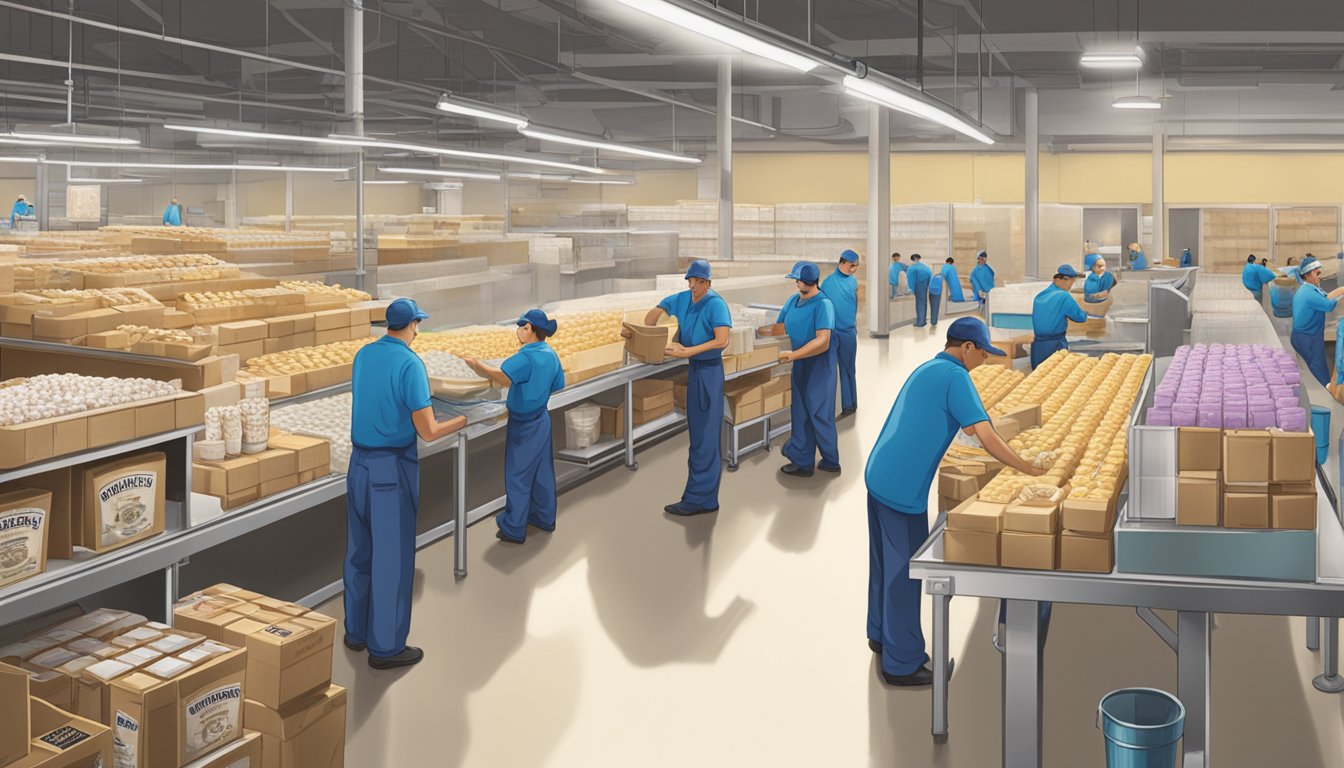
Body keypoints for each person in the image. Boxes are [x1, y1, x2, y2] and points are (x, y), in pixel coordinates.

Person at [865, 317, 1044, 686]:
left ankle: (880, 635)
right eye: (982, 354)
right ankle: (902, 663)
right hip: (902, 488)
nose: (984, 361)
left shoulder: (929, 368)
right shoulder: (957, 377)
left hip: (880, 473)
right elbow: (985, 435)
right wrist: (1027, 468)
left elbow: (964, 427)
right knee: (905, 574)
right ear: (966, 348)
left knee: (883, 564)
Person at [346, 298, 466, 670]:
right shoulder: (411, 364)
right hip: (389, 470)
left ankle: (357, 632)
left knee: (359, 550)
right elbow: (428, 431)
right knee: (392, 559)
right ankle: (385, 647)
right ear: (414, 325)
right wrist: (463, 420)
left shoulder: (364, 355)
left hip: (358, 464)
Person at [466, 310, 566, 542]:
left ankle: (514, 527)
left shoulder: (526, 356)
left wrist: (476, 365)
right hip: (542, 419)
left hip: (524, 424)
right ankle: (544, 518)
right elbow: (558, 384)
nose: (518, 331)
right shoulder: (551, 354)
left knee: (518, 475)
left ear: (530, 329)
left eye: (522, 326)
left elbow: (502, 377)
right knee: (542, 472)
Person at [643, 259, 731, 516]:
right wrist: (651, 333)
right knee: (697, 437)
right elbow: (654, 315)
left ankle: (701, 499)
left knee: (706, 437)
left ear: (708, 283)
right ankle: (699, 495)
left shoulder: (716, 305)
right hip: (694, 371)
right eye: (691, 281)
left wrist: (687, 351)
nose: (694, 286)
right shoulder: (682, 299)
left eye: (699, 282)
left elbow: (722, 340)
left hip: (710, 373)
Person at [763, 261, 839, 477]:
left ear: (808, 281)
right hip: (800, 364)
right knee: (801, 412)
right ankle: (803, 461)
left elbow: (823, 341)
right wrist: (758, 332)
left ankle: (831, 460)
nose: (796, 283)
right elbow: (780, 326)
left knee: (819, 412)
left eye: (798, 279)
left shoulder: (823, 304)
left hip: (820, 365)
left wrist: (793, 354)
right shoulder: (793, 300)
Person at [1290, 257, 1344, 386]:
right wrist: (1341, 294)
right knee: (1317, 364)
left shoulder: (1311, 288)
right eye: (1317, 273)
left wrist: (1342, 290)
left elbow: (1326, 296)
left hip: (1307, 334)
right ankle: (1328, 389)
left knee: (1316, 364)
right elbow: (1328, 305)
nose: (1320, 276)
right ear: (1307, 275)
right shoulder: (1308, 293)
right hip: (1308, 337)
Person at [821, 250, 860, 417]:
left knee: (849, 369)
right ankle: (830, 407)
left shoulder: (853, 282)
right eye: (852, 266)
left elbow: (856, 304)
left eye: (856, 266)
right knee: (829, 371)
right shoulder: (828, 283)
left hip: (848, 332)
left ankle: (850, 404)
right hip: (832, 332)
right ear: (843, 262)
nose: (854, 269)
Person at [1030, 264, 1088, 369]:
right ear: (1066, 279)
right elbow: (1080, 318)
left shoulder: (1040, 296)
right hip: (1055, 346)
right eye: (1072, 281)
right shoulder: (1064, 296)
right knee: (1056, 378)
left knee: (1038, 379)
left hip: (1038, 347)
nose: (1072, 284)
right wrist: (1086, 311)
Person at [927, 257, 965, 328]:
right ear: (952, 263)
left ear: (946, 261)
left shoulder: (944, 267)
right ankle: (959, 298)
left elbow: (943, 274)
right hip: (953, 282)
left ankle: (933, 322)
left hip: (937, 289)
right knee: (956, 289)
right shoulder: (952, 268)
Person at [906, 254, 933, 327]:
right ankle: (923, 320)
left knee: (919, 304)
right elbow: (930, 275)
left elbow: (910, 280)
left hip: (918, 286)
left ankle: (920, 322)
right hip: (925, 285)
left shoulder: (911, 268)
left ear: (912, 259)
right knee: (923, 303)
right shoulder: (925, 266)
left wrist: (909, 289)